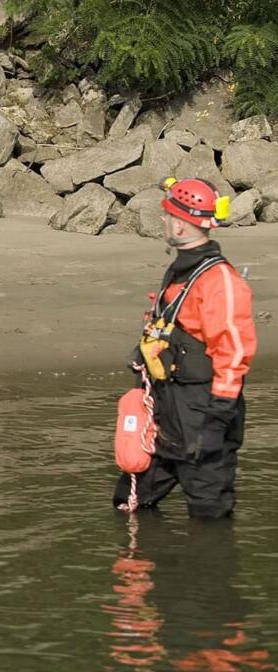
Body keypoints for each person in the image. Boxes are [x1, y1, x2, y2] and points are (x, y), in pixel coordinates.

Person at [112, 178, 256, 518]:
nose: (162, 221)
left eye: (165, 216)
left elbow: (233, 353)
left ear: (179, 224)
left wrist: (215, 424)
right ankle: (147, 564)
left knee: (210, 518)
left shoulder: (220, 281)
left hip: (203, 421)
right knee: (127, 505)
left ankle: (203, 566)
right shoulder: (180, 272)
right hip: (166, 417)